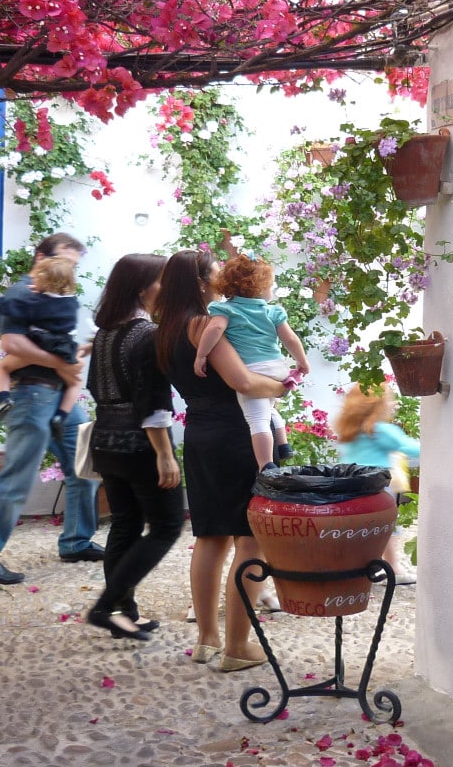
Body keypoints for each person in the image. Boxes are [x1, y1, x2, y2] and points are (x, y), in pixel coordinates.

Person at [156, 249, 288, 672]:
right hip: (238, 434)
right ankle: (237, 646)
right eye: (215, 272)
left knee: (210, 537)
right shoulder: (204, 324)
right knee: (251, 539)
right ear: (200, 282)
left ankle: (207, 640)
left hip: (200, 433)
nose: (222, 278)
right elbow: (243, 380)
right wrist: (283, 385)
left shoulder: (166, 329)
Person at [0, 233, 101, 584]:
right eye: (65, 261)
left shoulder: (58, 294)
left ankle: (76, 541)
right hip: (32, 394)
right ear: (41, 256)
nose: (70, 270)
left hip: (56, 393)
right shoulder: (24, 293)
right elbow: (11, 343)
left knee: (85, 462)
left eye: (74, 264)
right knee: (18, 477)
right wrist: (60, 363)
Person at [83, 253, 183, 641]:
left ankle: (125, 614)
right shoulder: (148, 334)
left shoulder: (106, 333)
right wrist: (164, 454)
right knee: (166, 527)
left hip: (106, 440)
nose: (167, 289)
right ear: (144, 289)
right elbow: (154, 402)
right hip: (141, 445)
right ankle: (106, 606)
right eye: (162, 281)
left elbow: (96, 388)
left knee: (124, 524)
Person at [192, 253, 311, 470]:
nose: (272, 290)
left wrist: (201, 355)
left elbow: (215, 329)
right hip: (277, 368)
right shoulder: (273, 311)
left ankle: (266, 464)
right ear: (259, 287)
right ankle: (283, 445)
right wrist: (302, 362)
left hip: (253, 370)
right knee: (270, 407)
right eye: (271, 286)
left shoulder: (226, 309)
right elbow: (290, 339)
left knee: (257, 420)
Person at [0, 254, 82, 435]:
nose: (33, 282)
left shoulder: (38, 302)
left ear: (45, 281)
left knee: (3, 367)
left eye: (37, 279)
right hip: (65, 348)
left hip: (41, 343)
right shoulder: (71, 302)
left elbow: (9, 305)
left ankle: (3, 399)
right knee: (75, 383)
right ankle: (61, 416)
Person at [333, 384, 420, 586]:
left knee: (361, 528)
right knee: (385, 526)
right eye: (389, 400)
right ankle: (393, 568)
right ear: (378, 406)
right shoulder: (380, 430)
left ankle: (360, 567)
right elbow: (409, 447)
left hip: (352, 486)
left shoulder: (349, 430)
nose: (392, 404)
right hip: (377, 487)